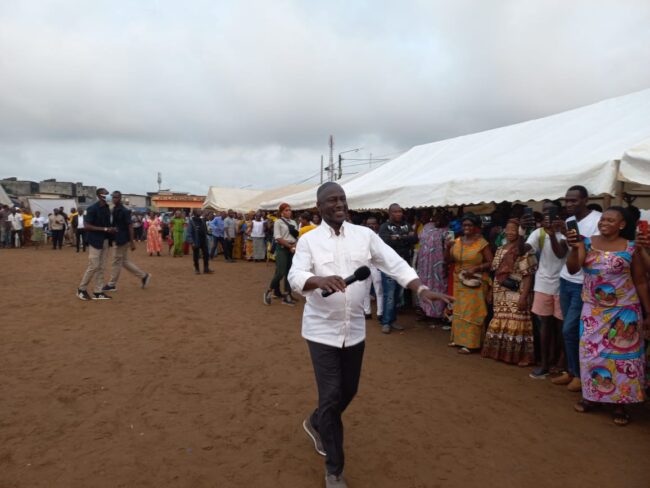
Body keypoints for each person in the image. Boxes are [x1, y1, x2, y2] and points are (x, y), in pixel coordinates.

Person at [288, 182, 453, 488]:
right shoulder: (309, 241)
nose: (339, 204)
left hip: (354, 330)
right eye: (331, 200)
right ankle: (334, 470)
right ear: (319, 207)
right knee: (332, 394)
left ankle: (317, 421)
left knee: (348, 391)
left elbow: (394, 262)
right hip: (320, 330)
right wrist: (318, 279)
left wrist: (420, 287)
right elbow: (295, 276)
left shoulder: (365, 236)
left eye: (342, 199)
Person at [567, 206, 649, 426]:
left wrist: (648, 312)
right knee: (591, 356)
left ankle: (620, 402)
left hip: (625, 311)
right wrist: (574, 249)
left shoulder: (631, 248)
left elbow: (640, 280)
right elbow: (573, 268)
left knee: (621, 359)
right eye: (602, 219)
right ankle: (592, 396)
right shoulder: (586, 243)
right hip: (593, 311)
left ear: (621, 225)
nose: (604, 223)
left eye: (610, 220)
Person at [552, 186, 601, 392]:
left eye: (574, 201)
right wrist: (557, 234)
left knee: (571, 329)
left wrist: (576, 240)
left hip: (584, 283)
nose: (569, 204)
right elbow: (562, 253)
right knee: (569, 329)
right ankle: (572, 372)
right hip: (566, 279)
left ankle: (580, 375)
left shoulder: (598, 220)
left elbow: (595, 251)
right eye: (567, 201)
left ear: (585, 200)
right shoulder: (570, 222)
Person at [482, 219, 537, 365]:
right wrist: (491, 292)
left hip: (518, 291)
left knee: (518, 322)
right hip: (500, 292)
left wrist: (524, 297)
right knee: (500, 320)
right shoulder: (500, 249)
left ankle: (518, 357)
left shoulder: (524, 249)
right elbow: (495, 273)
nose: (511, 232)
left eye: (514, 229)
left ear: (520, 231)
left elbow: (528, 275)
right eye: (508, 229)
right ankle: (500, 354)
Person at [525, 201, 567, 378]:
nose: (548, 217)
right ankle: (544, 363)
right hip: (543, 284)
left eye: (552, 213)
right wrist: (522, 230)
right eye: (545, 214)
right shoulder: (537, 233)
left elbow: (560, 254)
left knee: (561, 328)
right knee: (544, 326)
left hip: (562, 284)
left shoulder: (566, 233)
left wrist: (552, 234)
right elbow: (522, 250)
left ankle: (560, 362)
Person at [445, 213, 493, 354]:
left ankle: (471, 344)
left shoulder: (482, 243)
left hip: (475, 282)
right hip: (459, 281)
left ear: (476, 227)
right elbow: (448, 260)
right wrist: (447, 248)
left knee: (472, 312)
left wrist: (476, 268)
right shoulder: (457, 241)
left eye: (470, 225)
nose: (467, 227)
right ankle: (459, 340)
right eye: (465, 225)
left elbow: (491, 262)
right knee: (459, 310)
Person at [377, 203, 418, 333]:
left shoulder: (407, 224)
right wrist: (405, 237)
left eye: (400, 211)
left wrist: (399, 237)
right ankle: (386, 322)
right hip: (389, 266)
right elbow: (386, 241)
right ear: (390, 213)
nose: (399, 214)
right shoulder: (385, 227)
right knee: (389, 294)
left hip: (403, 266)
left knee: (397, 295)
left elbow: (415, 239)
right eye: (395, 212)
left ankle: (392, 320)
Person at [102, 192, 151, 292]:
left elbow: (130, 226)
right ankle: (144, 276)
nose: (114, 199)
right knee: (124, 261)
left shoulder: (125, 211)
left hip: (122, 239)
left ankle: (112, 284)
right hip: (118, 238)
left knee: (116, 261)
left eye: (116, 197)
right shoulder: (115, 209)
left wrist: (132, 242)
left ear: (120, 198)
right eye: (113, 197)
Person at [77, 188, 115, 301]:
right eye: (106, 194)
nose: (108, 196)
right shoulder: (92, 209)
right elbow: (87, 226)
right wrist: (105, 229)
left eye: (109, 194)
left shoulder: (108, 208)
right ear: (99, 196)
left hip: (105, 240)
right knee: (93, 266)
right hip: (94, 240)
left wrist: (111, 230)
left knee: (102, 267)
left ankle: (98, 292)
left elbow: (108, 224)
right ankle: (81, 289)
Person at [416, 211, 449, 323]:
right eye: (436, 216)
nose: (438, 219)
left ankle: (436, 314)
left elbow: (449, 249)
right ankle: (425, 311)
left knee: (438, 286)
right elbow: (419, 240)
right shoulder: (426, 226)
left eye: (441, 217)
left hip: (438, 265)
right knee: (424, 286)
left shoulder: (448, 231)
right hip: (424, 264)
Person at [263, 203, 298, 306]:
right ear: (282, 212)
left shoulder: (293, 222)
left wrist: (294, 246)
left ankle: (287, 295)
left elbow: (297, 236)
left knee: (290, 273)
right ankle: (269, 291)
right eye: (286, 210)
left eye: (290, 210)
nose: (289, 212)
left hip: (291, 248)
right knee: (280, 272)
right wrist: (290, 246)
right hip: (282, 248)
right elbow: (278, 237)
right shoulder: (278, 222)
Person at [363, 216, 384, 321]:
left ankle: (380, 313)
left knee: (379, 290)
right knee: (365, 290)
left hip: (376, 267)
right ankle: (367, 312)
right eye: (369, 224)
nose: (371, 225)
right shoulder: (362, 237)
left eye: (373, 223)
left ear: (377, 225)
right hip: (366, 266)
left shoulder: (380, 237)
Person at [187, 209, 213, 274]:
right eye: (198, 211)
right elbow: (189, 232)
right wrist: (191, 242)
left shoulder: (202, 220)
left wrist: (208, 234)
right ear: (195, 213)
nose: (200, 212)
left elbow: (205, 230)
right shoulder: (191, 221)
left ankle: (206, 268)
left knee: (206, 254)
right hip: (195, 240)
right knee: (196, 256)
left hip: (203, 240)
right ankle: (197, 269)